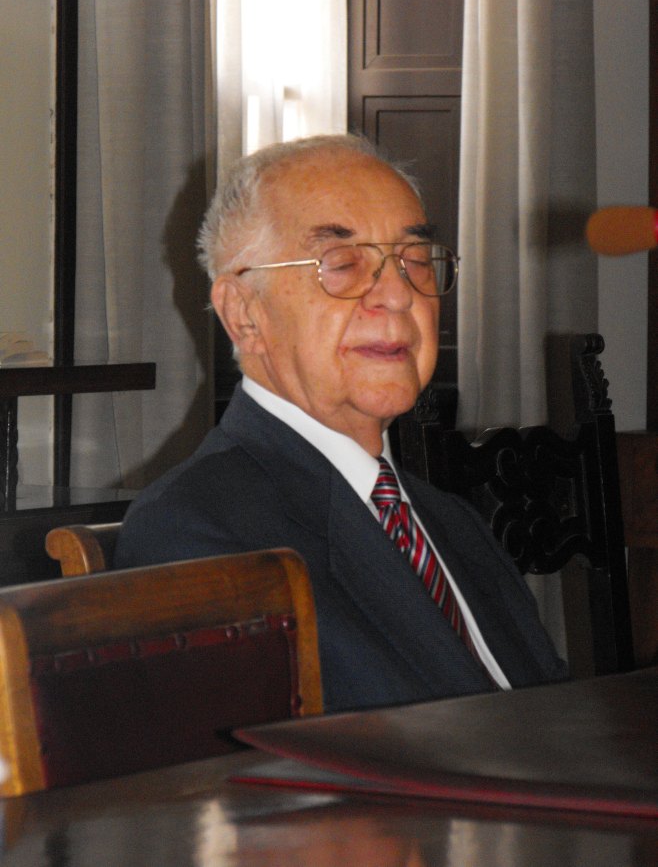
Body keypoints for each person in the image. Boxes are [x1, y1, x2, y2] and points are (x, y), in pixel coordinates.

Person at [115, 134, 567, 712]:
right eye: (343, 263)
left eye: (415, 260)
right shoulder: (200, 532)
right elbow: (257, 767)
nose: (397, 295)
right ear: (244, 314)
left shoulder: (452, 523)